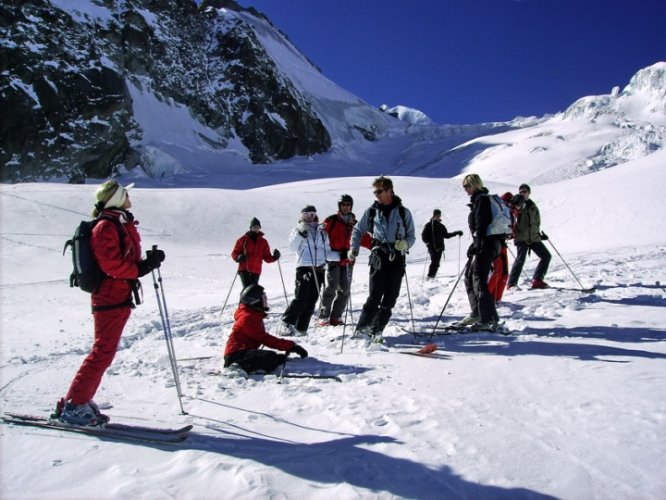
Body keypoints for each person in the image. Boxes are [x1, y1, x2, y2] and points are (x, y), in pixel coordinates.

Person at [55, 180, 165, 426]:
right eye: (125, 194)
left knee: (104, 351)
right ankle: (74, 404)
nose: (129, 198)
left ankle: (80, 399)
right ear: (116, 199)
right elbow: (111, 265)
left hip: (117, 295)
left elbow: (121, 259)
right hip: (109, 296)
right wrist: (142, 267)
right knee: (102, 351)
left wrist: (144, 263)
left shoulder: (117, 223)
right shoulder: (106, 226)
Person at [349, 176, 415, 342]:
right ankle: (362, 329)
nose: (376, 195)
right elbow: (358, 230)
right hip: (378, 256)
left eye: (379, 191)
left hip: (397, 257)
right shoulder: (372, 211)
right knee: (375, 295)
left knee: (391, 297)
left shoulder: (403, 212)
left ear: (389, 190)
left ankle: (376, 330)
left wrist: (406, 244)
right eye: (375, 192)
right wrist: (353, 249)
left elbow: (412, 235)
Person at [223, 284, 308, 375]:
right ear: (255, 301)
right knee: (270, 357)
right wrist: (290, 346)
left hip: (243, 352)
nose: (266, 300)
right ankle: (235, 366)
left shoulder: (253, 315)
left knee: (272, 358)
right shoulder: (248, 318)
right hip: (236, 356)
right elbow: (264, 339)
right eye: (263, 297)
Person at [459, 174, 504, 330]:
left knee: (478, 280)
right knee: (470, 277)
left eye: (467, 186)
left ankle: (489, 318)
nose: (465, 189)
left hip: (485, 244)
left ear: (476, 185)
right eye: (464, 186)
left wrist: (477, 244)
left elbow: (481, 224)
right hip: (489, 244)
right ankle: (478, 312)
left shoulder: (481, 199)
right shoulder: (482, 199)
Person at [281, 205, 329, 336]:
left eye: (312, 213)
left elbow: (327, 247)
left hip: (319, 268)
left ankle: (301, 328)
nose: (310, 216)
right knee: (302, 297)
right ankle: (286, 323)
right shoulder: (297, 229)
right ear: (302, 215)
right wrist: (300, 234)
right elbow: (292, 247)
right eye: (306, 214)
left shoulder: (321, 230)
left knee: (312, 299)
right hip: (304, 266)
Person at [319, 194, 357, 326]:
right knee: (332, 286)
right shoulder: (332, 220)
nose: (346, 207)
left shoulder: (353, 222)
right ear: (339, 206)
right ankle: (323, 315)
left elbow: (360, 237)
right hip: (333, 258)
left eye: (348, 205)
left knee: (345, 289)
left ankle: (336, 316)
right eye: (343, 205)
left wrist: (373, 243)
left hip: (346, 259)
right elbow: (320, 236)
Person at [507, 184, 552, 290]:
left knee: (546, 256)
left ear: (529, 192)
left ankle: (537, 280)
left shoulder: (533, 206)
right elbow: (514, 212)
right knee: (520, 259)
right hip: (521, 237)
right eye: (521, 191)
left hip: (533, 238)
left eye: (525, 191)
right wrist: (515, 206)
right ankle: (511, 284)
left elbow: (536, 223)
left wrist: (540, 235)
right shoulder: (517, 203)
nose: (522, 193)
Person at [231, 218, 280, 288]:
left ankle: (246, 299)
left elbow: (267, 257)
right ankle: (244, 299)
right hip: (244, 269)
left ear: (260, 228)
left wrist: (275, 257)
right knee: (248, 289)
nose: (256, 229)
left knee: (253, 291)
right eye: (254, 227)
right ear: (251, 228)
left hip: (256, 270)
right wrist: (238, 257)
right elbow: (234, 252)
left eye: (257, 227)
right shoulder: (243, 239)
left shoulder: (263, 242)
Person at [421, 209, 463, 279]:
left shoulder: (441, 226)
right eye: (436, 215)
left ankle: (432, 276)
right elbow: (423, 236)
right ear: (434, 216)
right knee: (435, 262)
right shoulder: (429, 225)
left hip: (440, 247)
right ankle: (430, 276)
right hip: (432, 247)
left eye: (439, 215)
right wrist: (428, 243)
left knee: (437, 263)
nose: (438, 217)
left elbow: (446, 235)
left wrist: (456, 233)